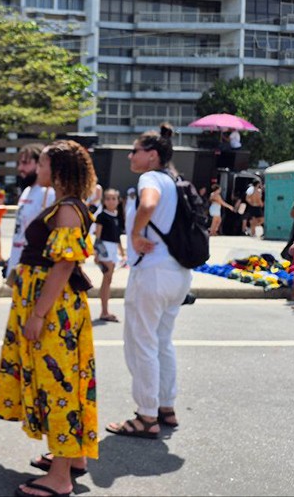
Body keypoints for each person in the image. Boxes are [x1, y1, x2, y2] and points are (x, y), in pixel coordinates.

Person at [0, 140, 98, 497]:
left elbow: (64, 264)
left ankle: (60, 478)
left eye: (45, 164)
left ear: (60, 170)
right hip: (53, 305)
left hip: (53, 311)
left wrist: (37, 313)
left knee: (58, 384)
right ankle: (73, 457)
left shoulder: (67, 208)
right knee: (63, 381)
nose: (39, 169)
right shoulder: (64, 204)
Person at [106, 123, 192, 439]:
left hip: (153, 274)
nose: (130, 155)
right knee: (162, 341)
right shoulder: (175, 180)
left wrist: (138, 233)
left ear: (151, 155)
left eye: (134, 150)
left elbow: (148, 204)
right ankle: (165, 407)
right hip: (178, 273)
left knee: (141, 343)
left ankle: (146, 415)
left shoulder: (151, 178)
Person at [8, 144, 56, 285]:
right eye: (19, 163)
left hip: (34, 268)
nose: (20, 169)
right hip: (18, 265)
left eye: (26, 163)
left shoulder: (48, 194)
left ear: (40, 164)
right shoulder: (27, 191)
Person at [94, 188, 125, 323]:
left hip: (113, 248)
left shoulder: (118, 216)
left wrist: (121, 251)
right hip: (104, 248)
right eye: (108, 199)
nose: (111, 201)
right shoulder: (102, 216)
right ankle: (104, 311)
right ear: (104, 201)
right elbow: (98, 236)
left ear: (118, 201)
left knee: (109, 279)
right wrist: (97, 253)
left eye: (114, 199)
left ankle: (105, 310)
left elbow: (117, 236)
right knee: (106, 279)